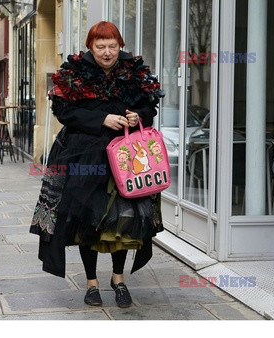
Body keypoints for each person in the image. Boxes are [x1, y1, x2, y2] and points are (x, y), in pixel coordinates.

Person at [29, 21, 165, 308]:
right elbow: (63, 111)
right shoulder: (74, 72)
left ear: (120, 46)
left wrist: (136, 117)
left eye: (112, 46)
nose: (107, 52)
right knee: (86, 223)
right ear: (90, 47)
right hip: (83, 158)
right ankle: (91, 284)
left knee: (124, 222)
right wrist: (101, 119)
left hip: (127, 159)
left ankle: (118, 279)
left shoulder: (134, 70)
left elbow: (149, 108)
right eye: (100, 46)